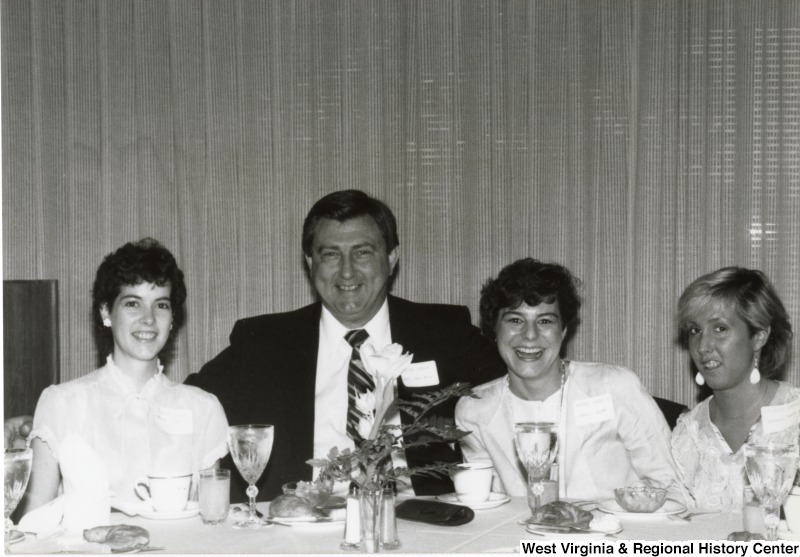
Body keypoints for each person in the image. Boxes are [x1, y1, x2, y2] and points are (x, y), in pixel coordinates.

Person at [185, 190, 506, 501]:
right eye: (330, 254)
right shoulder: (263, 342)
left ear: (392, 257)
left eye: (363, 252)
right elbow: (187, 406)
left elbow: (516, 389)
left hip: (421, 525)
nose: (347, 270)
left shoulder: (443, 331)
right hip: (302, 528)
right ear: (310, 262)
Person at [21, 239, 229, 515]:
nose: (148, 319)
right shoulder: (61, 403)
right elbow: (34, 523)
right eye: (133, 303)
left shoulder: (204, 409)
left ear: (173, 319)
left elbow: (213, 523)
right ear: (106, 312)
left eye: (161, 305)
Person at [455, 258, 682, 501]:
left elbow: (670, 485)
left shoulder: (612, 386)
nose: (529, 335)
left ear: (563, 330)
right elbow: (483, 502)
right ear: (494, 330)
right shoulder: (474, 409)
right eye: (515, 320)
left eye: (545, 321)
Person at [671, 267, 799, 511]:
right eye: (695, 331)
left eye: (720, 328)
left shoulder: (795, 418)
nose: (703, 346)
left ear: (759, 337)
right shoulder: (686, 435)